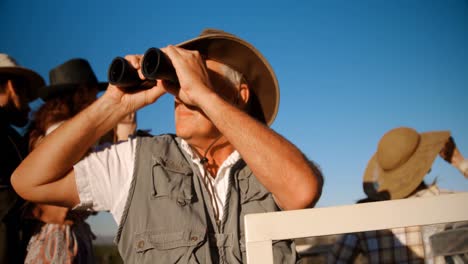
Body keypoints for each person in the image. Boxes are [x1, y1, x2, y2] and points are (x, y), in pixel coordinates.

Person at [11, 28, 322, 263]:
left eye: (197, 76)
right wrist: (113, 105)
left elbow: (301, 190)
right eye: (179, 80)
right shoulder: (136, 161)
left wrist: (204, 95)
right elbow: (29, 182)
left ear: (240, 94)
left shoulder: (268, 163)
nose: (181, 92)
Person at [327, 126, 468, 264]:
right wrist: (460, 162)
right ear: (426, 166)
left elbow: (336, 260)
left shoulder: (364, 216)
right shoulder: (449, 203)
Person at [22, 58, 110, 263]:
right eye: (92, 93)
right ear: (80, 93)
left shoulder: (55, 132)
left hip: (64, 234)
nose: (96, 99)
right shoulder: (60, 133)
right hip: (59, 238)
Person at [0, 53, 45, 263]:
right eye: (27, 95)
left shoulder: (10, 136)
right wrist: (41, 210)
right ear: (12, 87)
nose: (29, 106)